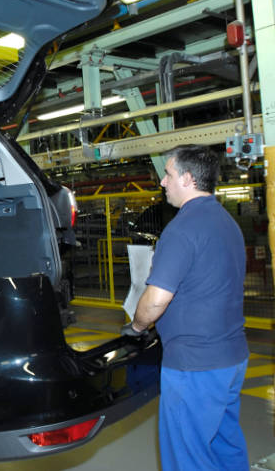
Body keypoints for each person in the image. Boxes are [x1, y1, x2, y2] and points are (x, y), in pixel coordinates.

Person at [121, 145, 249, 471]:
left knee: (187, 456)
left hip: (195, 365)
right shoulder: (227, 223)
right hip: (232, 358)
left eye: (168, 174)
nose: (163, 182)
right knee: (224, 444)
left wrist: (136, 327)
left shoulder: (181, 229)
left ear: (188, 178)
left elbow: (156, 299)